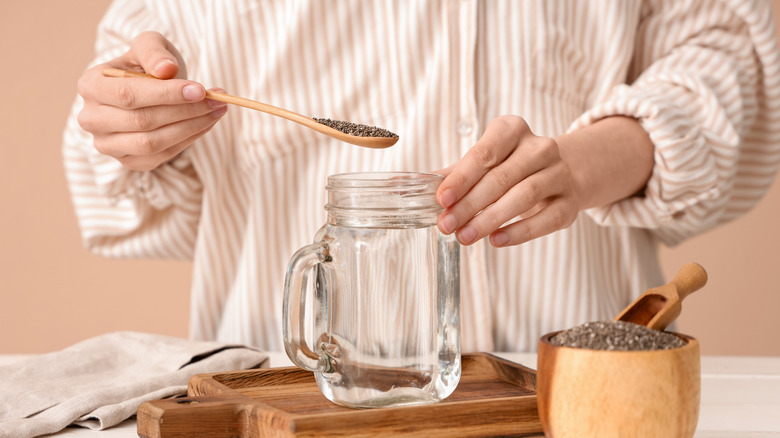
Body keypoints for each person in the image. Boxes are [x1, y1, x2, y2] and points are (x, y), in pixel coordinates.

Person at [64, 0, 780, 352]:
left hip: (574, 394)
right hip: (288, 399)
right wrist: (128, 120)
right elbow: (113, 135)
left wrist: (592, 161)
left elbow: (719, 51)